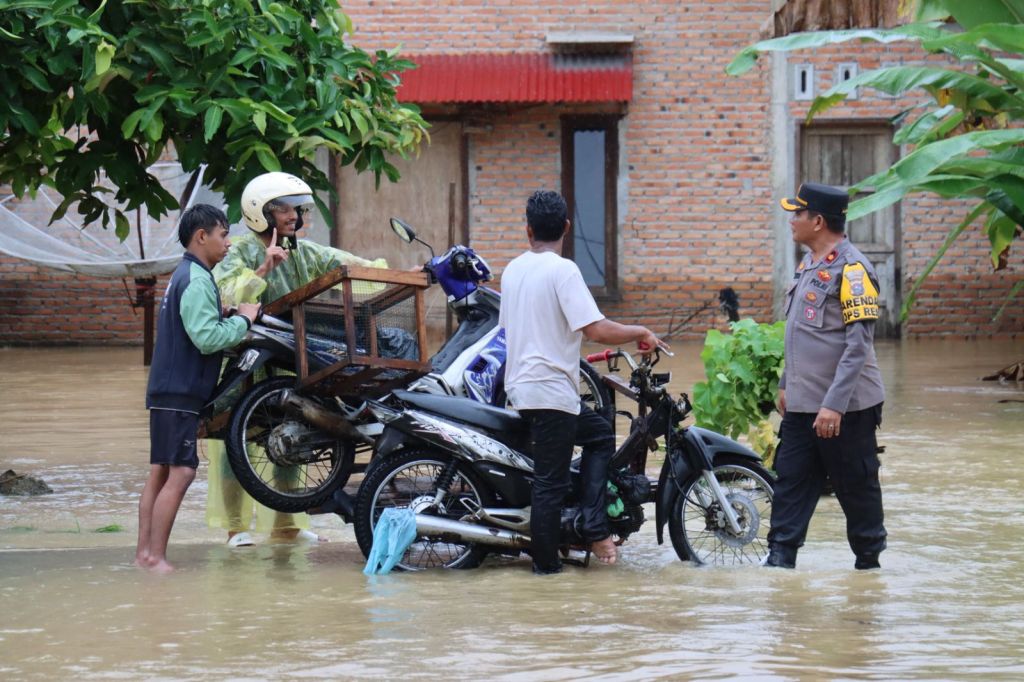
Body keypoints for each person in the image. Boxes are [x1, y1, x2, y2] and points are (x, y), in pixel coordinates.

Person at [206, 171, 395, 547]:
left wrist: (393, 274)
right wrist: (263, 269)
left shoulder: (301, 252)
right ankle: (235, 528)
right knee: (234, 444)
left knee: (291, 443)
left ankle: (287, 527)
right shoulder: (241, 250)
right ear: (262, 212)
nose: (295, 216)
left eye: (298, 209)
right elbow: (224, 293)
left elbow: (348, 266)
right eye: (286, 209)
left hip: (292, 361)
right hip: (251, 360)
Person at [499, 190, 668, 575]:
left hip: (521, 389)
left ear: (528, 230)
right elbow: (595, 329)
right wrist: (640, 330)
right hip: (551, 393)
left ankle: (589, 527)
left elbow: (511, 331)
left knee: (597, 434)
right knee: (549, 484)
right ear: (567, 228)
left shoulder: (512, 271)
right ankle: (549, 572)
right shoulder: (563, 271)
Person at [765, 182, 887, 570]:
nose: (791, 221)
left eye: (797, 214)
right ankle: (779, 567)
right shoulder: (810, 266)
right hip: (802, 407)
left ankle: (868, 574)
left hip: (845, 410)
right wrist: (786, 383)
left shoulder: (853, 270)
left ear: (817, 221)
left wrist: (833, 406)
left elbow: (857, 347)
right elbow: (801, 333)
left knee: (857, 490)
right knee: (789, 487)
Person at [136, 204, 260, 572]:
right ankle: (155, 557)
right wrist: (243, 319)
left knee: (161, 470)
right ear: (201, 236)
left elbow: (196, 325)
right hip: (180, 391)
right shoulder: (197, 278)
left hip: (168, 389)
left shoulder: (185, 275)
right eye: (223, 234)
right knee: (182, 472)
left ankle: (145, 555)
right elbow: (206, 338)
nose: (228, 242)